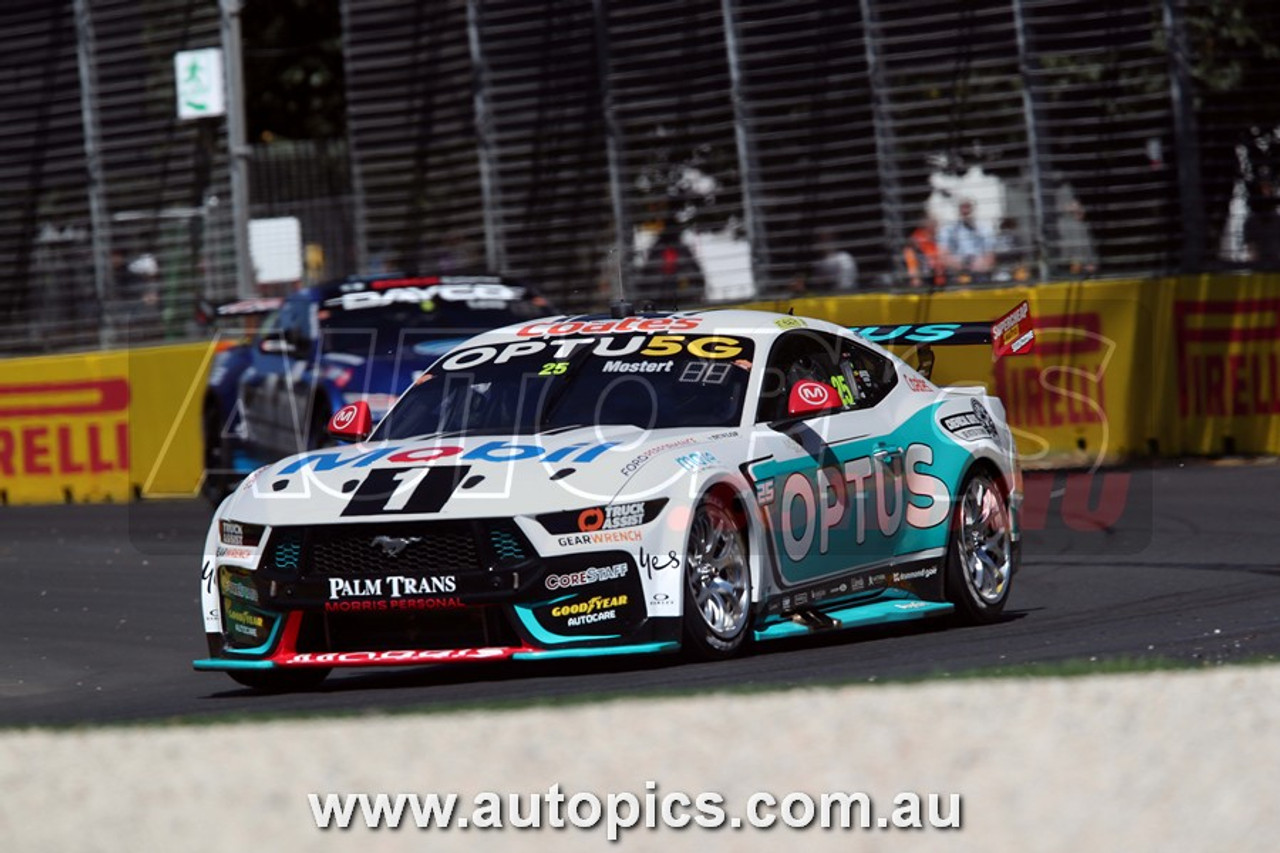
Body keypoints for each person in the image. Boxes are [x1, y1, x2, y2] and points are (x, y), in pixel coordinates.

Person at [938, 198, 995, 284]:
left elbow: (990, 256)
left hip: (979, 272)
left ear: (973, 209)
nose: (965, 211)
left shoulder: (985, 229)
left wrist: (981, 265)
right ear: (958, 210)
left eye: (968, 207)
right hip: (956, 272)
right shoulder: (948, 229)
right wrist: (959, 265)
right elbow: (943, 254)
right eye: (963, 207)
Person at [1057, 199, 1098, 277]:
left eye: (1081, 208)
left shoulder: (1083, 227)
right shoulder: (1065, 225)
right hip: (1072, 266)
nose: (1080, 211)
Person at [903, 218, 944, 288]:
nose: (936, 229)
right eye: (933, 227)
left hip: (935, 273)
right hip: (924, 273)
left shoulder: (935, 239)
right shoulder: (917, 238)